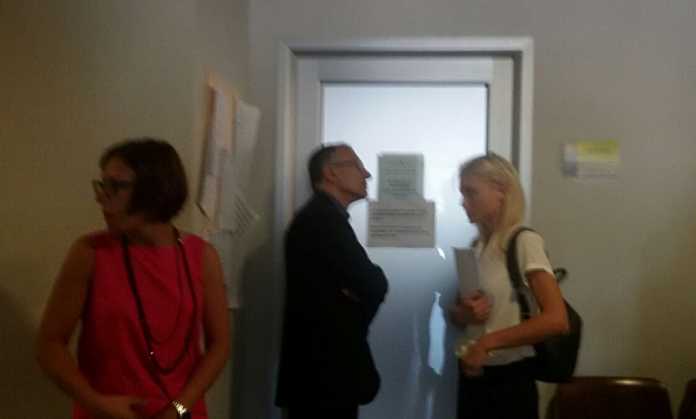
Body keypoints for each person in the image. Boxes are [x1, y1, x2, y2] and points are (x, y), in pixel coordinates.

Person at [36, 138, 230, 419]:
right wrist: (96, 403)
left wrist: (179, 408)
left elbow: (220, 345)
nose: (102, 197)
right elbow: (49, 344)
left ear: (156, 190)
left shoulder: (202, 257)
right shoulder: (90, 253)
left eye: (116, 186)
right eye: (102, 185)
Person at [450, 153, 569, 419]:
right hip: (474, 375)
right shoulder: (477, 247)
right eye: (462, 193)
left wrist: (486, 344)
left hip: (509, 379)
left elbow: (556, 320)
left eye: (471, 192)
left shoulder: (523, 241)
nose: (463, 202)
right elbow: (460, 316)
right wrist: (465, 314)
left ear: (501, 191)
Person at [276, 144, 389, 419]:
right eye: (357, 165)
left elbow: (365, 285)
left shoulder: (322, 217)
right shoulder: (323, 221)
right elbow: (373, 283)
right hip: (324, 377)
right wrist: (355, 299)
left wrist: (353, 296)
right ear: (331, 173)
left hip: (319, 375)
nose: (366, 174)